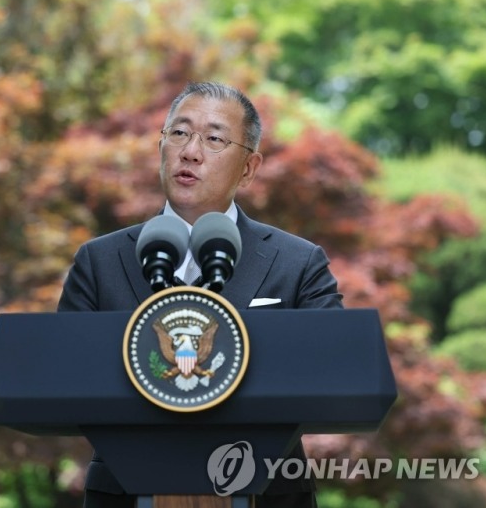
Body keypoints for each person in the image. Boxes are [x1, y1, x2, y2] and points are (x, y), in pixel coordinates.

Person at [58, 82, 343, 508]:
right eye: (178, 133)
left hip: (264, 490)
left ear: (249, 167)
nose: (191, 151)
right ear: (161, 146)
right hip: (126, 493)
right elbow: (63, 376)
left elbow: (335, 368)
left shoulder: (297, 262)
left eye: (213, 138)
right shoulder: (100, 260)